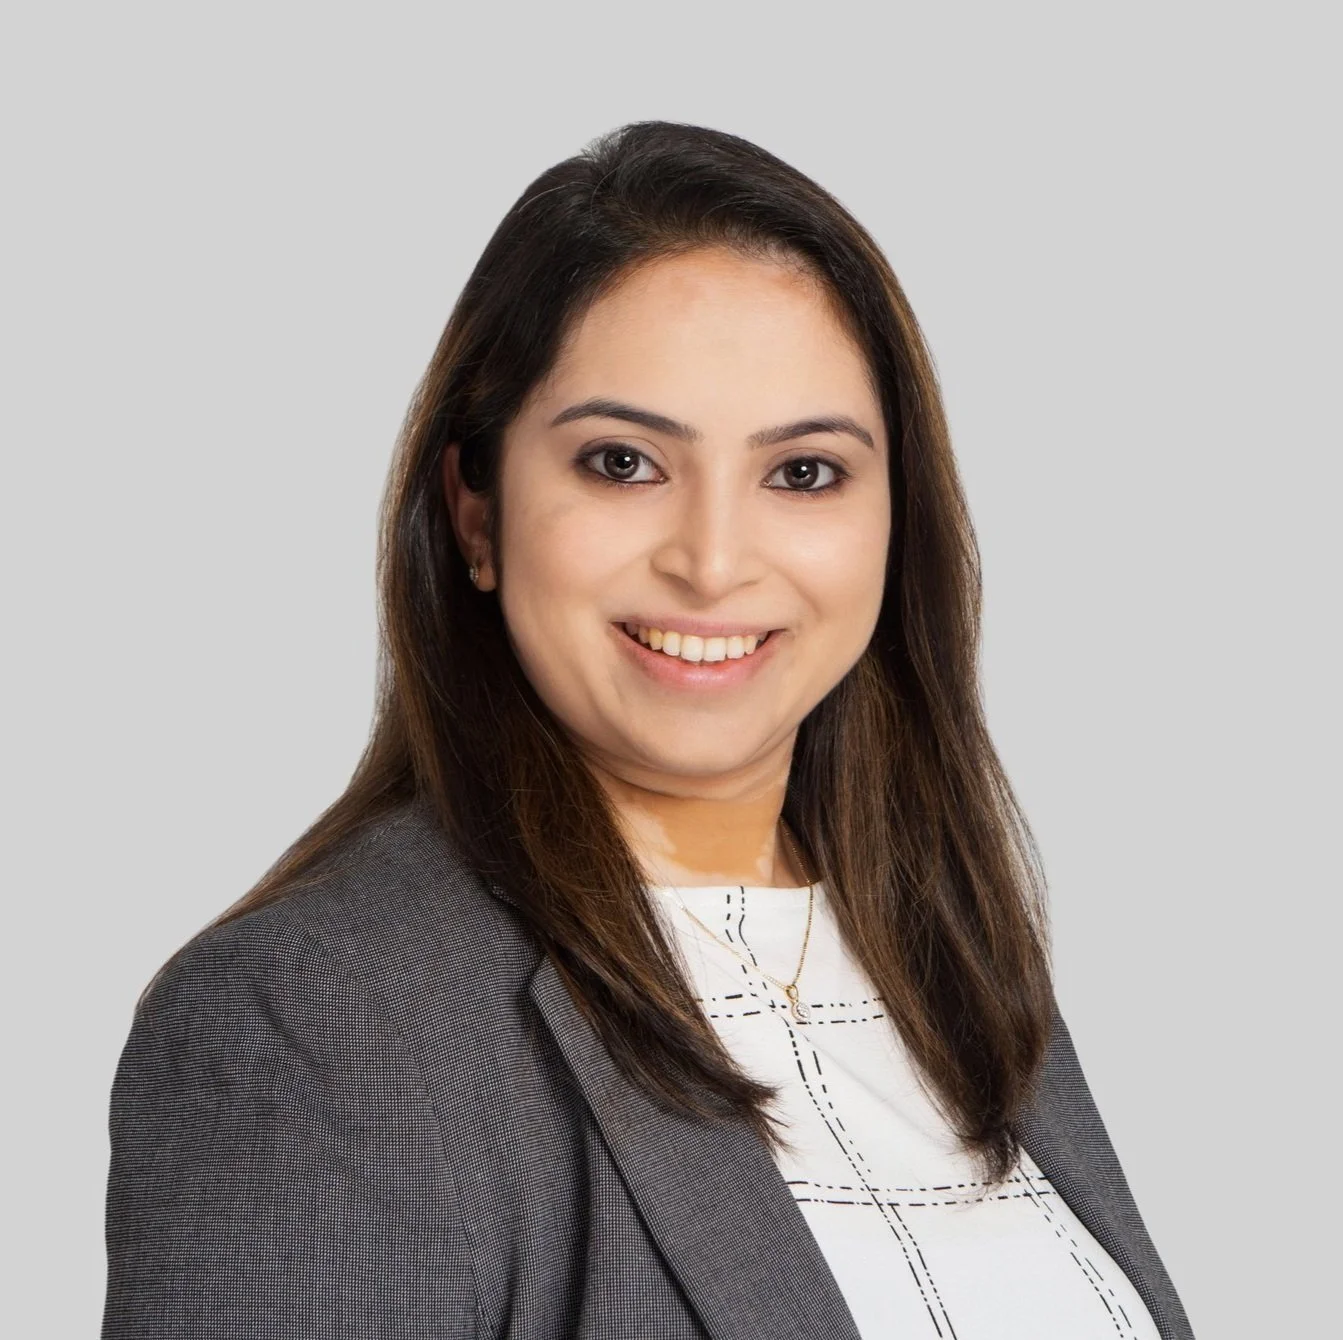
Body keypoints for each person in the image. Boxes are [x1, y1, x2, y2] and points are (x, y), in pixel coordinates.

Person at [101, 121, 1194, 1339]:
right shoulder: (316, 1027)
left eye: (804, 473)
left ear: (897, 515)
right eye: (622, 463)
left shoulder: (954, 959)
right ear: (476, 509)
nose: (713, 561)